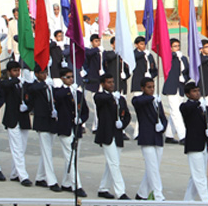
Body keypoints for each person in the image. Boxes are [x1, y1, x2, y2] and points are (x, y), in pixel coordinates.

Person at [53, 68, 89, 197]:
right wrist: (69, 91)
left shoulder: (78, 93)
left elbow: (85, 111)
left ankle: (66, 183)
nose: (71, 79)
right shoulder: (60, 91)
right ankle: (77, 185)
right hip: (65, 128)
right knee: (70, 157)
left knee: (74, 157)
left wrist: (81, 119)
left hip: (76, 129)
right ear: (62, 78)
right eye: (68, 77)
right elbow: (59, 97)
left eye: (72, 77)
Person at [94, 74, 131, 200]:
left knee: (111, 163)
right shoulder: (100, 96)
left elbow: (127, 115)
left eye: (112, 82)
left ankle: (103, 188)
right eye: (108, 82)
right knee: (114, 163)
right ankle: (120, 192)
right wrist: (111, 97)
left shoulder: (119, 98)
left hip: (117, 134)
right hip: (106, 134)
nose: (111, 84)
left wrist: (122, 124)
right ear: (103, 84)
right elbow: (101, 99)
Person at [132, 77, 168, 201]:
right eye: (149, 87)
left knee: (154, 167)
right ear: (142, 88)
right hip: (147, 137)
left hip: (157, 137)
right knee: (152, 167)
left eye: (153, 87)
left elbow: (163, 117)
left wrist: (162, 126)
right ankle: (158, 194)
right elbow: (139, 102)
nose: (152, 89)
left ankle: (142, 193)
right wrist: (152, 98)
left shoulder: (156, 101)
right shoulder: (139, 99)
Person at [180, 82, 208, 202]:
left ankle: (187, 200)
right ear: (187, 94)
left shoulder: (204, 106)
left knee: (196, 176)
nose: (197, 93)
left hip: (204, 144)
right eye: (194, 91)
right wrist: (198, 104)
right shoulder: (186, 106)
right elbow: (188, 110)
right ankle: (206, 201)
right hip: (194, 145)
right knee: (200, 176)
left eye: (198, 90)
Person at [28, 65, 62, 192]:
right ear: (36, 74)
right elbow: (32, 90)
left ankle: (40, 177)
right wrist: (44, 85)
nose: (44, 75)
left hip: (51, 120)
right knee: (47, 152)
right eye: (42, 73)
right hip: (41, 122)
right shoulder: (35, 86)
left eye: (46, 72)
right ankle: (51, 180)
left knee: (47, 151)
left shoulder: (49, 85)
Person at [0, 61, 32, 186]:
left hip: (23, 119)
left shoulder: (22, 84)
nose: (17, 73)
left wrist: (27, 107)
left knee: (22, 148)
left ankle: (14, 173)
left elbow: (31, 96)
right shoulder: (7, 83)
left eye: (18, 70)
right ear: (8, 72)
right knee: (17, 148)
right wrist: (17, 80)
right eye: (14, 71)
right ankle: (23, 176)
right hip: (12, 119)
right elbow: (5, 86)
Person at [131, 36, 158, 139]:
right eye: (141, 44)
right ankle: (137, 133)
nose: (143, 46)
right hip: (138, 85)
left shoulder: (149, 55)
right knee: (140, 110)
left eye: (144, 44)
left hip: (148, 85)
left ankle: (144, 131)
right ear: (137, 45)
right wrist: (142, 54)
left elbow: (154, 69)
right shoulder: (136, 54)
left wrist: (151, 75)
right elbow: (134, 58)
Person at [163, 38, 190, 144]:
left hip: (181, 88)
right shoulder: (169, 57)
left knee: (175, 112)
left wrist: (185, 78)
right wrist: (174, 55)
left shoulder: (183, 58)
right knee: (176, 112)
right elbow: (167, 57)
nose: (177, 48)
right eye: (174, 46)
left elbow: (188, 72)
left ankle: (169, 135)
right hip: (171, 88)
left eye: (178, 46)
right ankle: (183, 136)